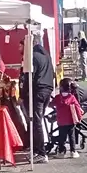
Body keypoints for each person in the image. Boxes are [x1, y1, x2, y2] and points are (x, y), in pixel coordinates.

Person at [25, 35, 57, 164]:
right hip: (48, 89)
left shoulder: (33, 56)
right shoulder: (47, 56)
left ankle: (41, 152)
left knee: (36, 120)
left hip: (38, 90)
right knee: (38, 119)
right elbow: (53, 74)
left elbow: (30, 76)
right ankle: (38, 150)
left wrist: (26, 91)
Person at [51, 78, 85, 158]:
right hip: (71, 121)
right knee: (71, 136)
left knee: (61, 137)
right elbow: (77, 108)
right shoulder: (72, 98)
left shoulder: (57, 97)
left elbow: (51, 104)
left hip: (61, 121)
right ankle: (73, 151)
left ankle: (61, 152)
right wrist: (79, 118)